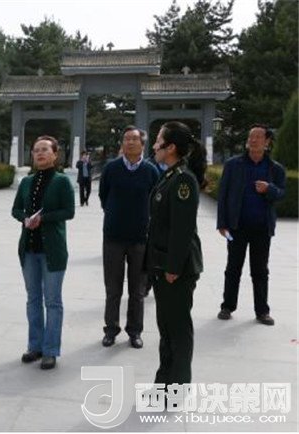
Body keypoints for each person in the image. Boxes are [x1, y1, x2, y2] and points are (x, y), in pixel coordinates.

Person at [146, 121, 206, 387]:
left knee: (178, 330)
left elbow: (182, 230)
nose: (154, 145)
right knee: (167, 329)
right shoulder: (170, 174)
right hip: (163, 266)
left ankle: (177, 387)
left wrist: (173, 268)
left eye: (158, 140)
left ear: (170, 147)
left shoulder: (182, 179)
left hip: (176, 270)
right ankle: (164, 384)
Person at [11, 136, 75, 370]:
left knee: (53, 301)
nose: (39, 153)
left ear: (55, 155)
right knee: (33, 300)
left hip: (53, 250)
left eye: (45, 150)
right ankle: (35, 346)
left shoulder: (62, 181)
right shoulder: (27, 182)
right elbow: (16, 209)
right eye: (36, 150)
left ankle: (50, 350)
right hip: (29, 249)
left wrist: (43, 218)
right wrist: (25, 218)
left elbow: (69, 211)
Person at [216, 124, 286, 326]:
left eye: (258, 137)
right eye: (250, 137)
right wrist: (222, 223)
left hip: (262, 228)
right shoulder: (233, 164)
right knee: (233, 268)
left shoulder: (275, 168)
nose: (253, 140)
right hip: (236, 227)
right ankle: (227, 306)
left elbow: (281, 193)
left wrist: (269, 189)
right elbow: (223, 194)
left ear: (267, 142)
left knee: (260, 271)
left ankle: (262, 311)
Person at [99, 126, 159, 349]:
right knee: (113, 288)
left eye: (134, 139)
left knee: (138, 290)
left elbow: (157, 200)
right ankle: (111, 329)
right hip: (113, 236)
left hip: (140, 238)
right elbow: (104, 196)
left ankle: (135, 331)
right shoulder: (111, 168)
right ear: (122, 143)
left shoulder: (151, 171)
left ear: (143, 144)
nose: (130, 142)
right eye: (126, 139)